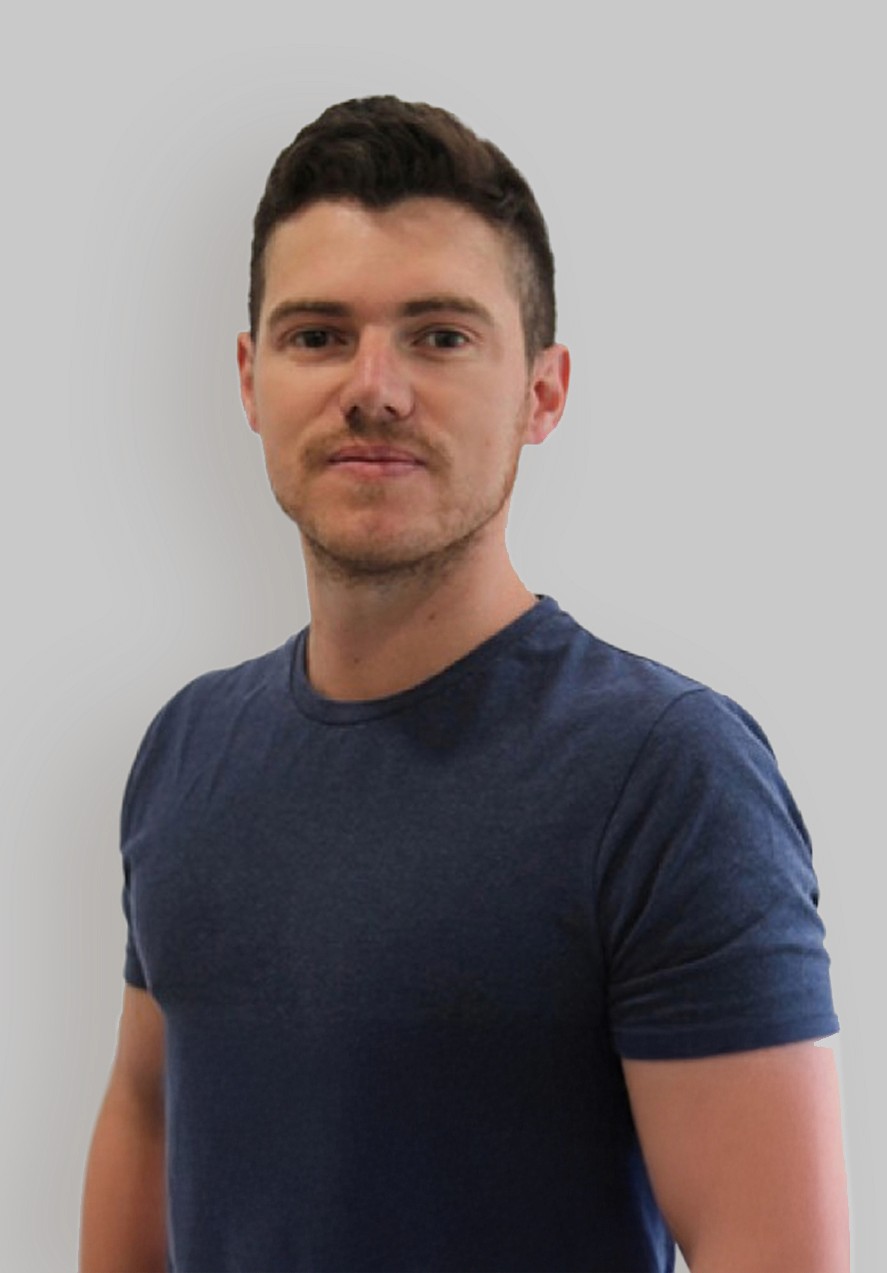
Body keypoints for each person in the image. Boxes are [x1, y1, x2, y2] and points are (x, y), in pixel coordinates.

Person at [79, 95, 849, 1273]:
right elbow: (144, 1109)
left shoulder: (666, 775)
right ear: (249, 380)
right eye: (316, 334)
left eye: (439, 335)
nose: (372, 386)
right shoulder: (186, 751)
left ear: (542, 392)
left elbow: (775, 1253)